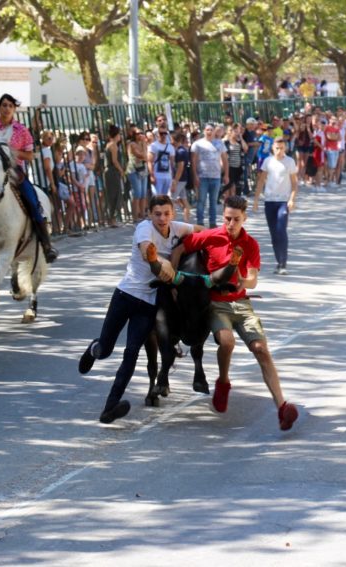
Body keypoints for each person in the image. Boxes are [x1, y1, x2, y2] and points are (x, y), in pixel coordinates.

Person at [179, 195, 298, 431]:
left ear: (244, 218)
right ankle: (223, 382)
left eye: (236, 219)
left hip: (241, 303)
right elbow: (183, 245)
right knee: (227, 341)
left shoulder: (250, 244)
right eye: (227, 218)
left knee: (261, 349)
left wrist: (242, 279)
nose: (230, 224)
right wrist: (171, 280)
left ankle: (282, 407)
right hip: (216, 303)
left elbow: (253, 279)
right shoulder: (211, 236)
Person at [78, 195, 193, 424]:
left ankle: (110, 407)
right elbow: (146, 252)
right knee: (106, 349)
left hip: (147, 305)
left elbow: (205, 233)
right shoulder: (144, 229)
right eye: (157, 214)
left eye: (166, 214)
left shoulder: (178, 227)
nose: (162, 218)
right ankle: (93, 350)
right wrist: (166, 263)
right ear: (150, 214)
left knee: (131, 353)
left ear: (173, 214)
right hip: (125, 296)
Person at [0, 94, 57, 263]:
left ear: (14, 109)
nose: (7, 108)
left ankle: (46, 244)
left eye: (10, 105)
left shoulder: (22, 130)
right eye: (4, 105)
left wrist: (12, 153)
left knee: (32, 201)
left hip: (15, 173)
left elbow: (30, 155)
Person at [253, 138, 298, 275]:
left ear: (285, 148)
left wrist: (291, 199)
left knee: (281, 230)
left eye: (282, 148)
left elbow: (294, 183)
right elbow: (261, 181)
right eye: (277, 148)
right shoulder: (268, 161)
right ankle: (278, 262)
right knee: (273, 234)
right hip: (269, 201)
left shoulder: (289, 162)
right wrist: (256, 200)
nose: (279, 151)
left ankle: (283, 263)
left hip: (283, 201)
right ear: (273, 148)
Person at [191, 124, 228, 228]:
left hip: (216, 177)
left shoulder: (220, 143)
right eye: (207, 130)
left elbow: (225, 160)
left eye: (211, 130)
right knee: (201, 200)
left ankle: (212, 223)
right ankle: (200, 223)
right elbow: (193, 161)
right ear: (204, 131)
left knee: (213, 201)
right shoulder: (197, 144)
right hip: (202, 177)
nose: (209, 132)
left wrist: (226, 175)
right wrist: (195, 176)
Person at [103, 125, 125, 228]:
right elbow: (115, 161)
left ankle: (112, 218)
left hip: (109, 172)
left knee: (112, 194)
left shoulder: (109, 144)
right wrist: (121, 170)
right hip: (113, 172)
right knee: (115, 194)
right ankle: (112, 218)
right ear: (116, 135)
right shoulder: (113, 145)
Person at [147, 125, 175, 197]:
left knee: (166, 198)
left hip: (168, 176)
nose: (163, 135)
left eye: (165, 133)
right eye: (161, 133)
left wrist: (173, 178)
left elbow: (172, 163)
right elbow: (149, 161)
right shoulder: (153, 146)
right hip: (157, 176)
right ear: (157, 134)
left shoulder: (170, 147)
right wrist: (152, 175)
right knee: (157, 197)